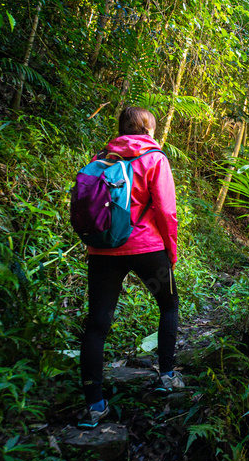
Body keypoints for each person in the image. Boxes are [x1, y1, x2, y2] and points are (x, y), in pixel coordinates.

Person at [77, 106, 182, 429]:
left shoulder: (101, 158)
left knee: (97, 324)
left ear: (122, 130)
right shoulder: (154, 159)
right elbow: (166, 211)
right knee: (168, 305)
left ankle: (94, 405)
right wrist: (171, 252)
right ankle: (167, 376)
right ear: (149, 130)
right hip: (147, 250)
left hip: (103, 250)